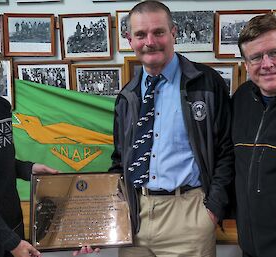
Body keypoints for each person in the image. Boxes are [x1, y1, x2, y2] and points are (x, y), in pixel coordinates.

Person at [75, 1, 233, 257]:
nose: (150, 41)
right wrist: (104, 222)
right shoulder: (127, 95)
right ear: (129, 39)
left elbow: (226, 150)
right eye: (140, 34)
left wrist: (212, 210)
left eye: (158, 32)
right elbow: (119, 162)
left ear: (174, 32)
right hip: (136, 218)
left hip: (189, 215)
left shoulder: (205, 83)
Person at [232, 13, 276, 257]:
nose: (266, 63)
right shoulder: (240, 100)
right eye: (256, 57)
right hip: (250, 248)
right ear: (246, 64)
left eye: (275, 52)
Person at [0, 48, 59, 257]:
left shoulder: (1, 108)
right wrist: (12, 243)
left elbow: (2, 162)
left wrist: (29, 169)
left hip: (12, 226)